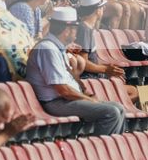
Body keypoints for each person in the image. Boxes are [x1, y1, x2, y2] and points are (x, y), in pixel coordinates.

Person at [24, 7, 125, 136]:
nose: (76, 32)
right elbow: (63, 90)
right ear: (67, 30)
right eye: (75, 28)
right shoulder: (47, 48)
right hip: (55, 102)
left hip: (65, 100)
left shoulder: (56, 47)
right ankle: (100, 152)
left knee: (119, 108)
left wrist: (85, 94)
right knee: (111, 112)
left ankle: (112, 150)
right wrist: (89, 100)